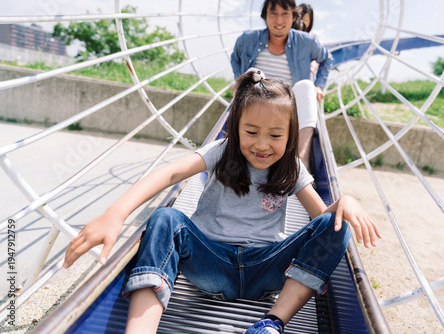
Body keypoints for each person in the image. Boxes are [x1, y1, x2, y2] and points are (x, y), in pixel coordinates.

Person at [63, 70, 381, 334]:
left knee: (337, 226)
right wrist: (115, 214)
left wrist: (344, 202)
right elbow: (171, 173)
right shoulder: (222, 151)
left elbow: (320, 221)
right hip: (211, 263)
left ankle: (271, 324)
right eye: (251, 131)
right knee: (165, 218)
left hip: (266, 269)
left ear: (291, 134)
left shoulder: (292, 168)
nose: (261, 144)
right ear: (235, 127)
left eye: (275, 135)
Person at [230, 0, 333, 173]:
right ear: (264, 16)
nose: (279, 20)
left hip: (287, 106)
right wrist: (238, 79)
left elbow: (327, 59)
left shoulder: (306, 42)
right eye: (273, 13)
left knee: (306, 86)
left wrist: (318, 85)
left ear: (294, 17)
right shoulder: (248, 39)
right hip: (256, 102)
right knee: (253, 71)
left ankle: (301, 162)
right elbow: (235, 58)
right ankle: (236, 155)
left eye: (285, 13)